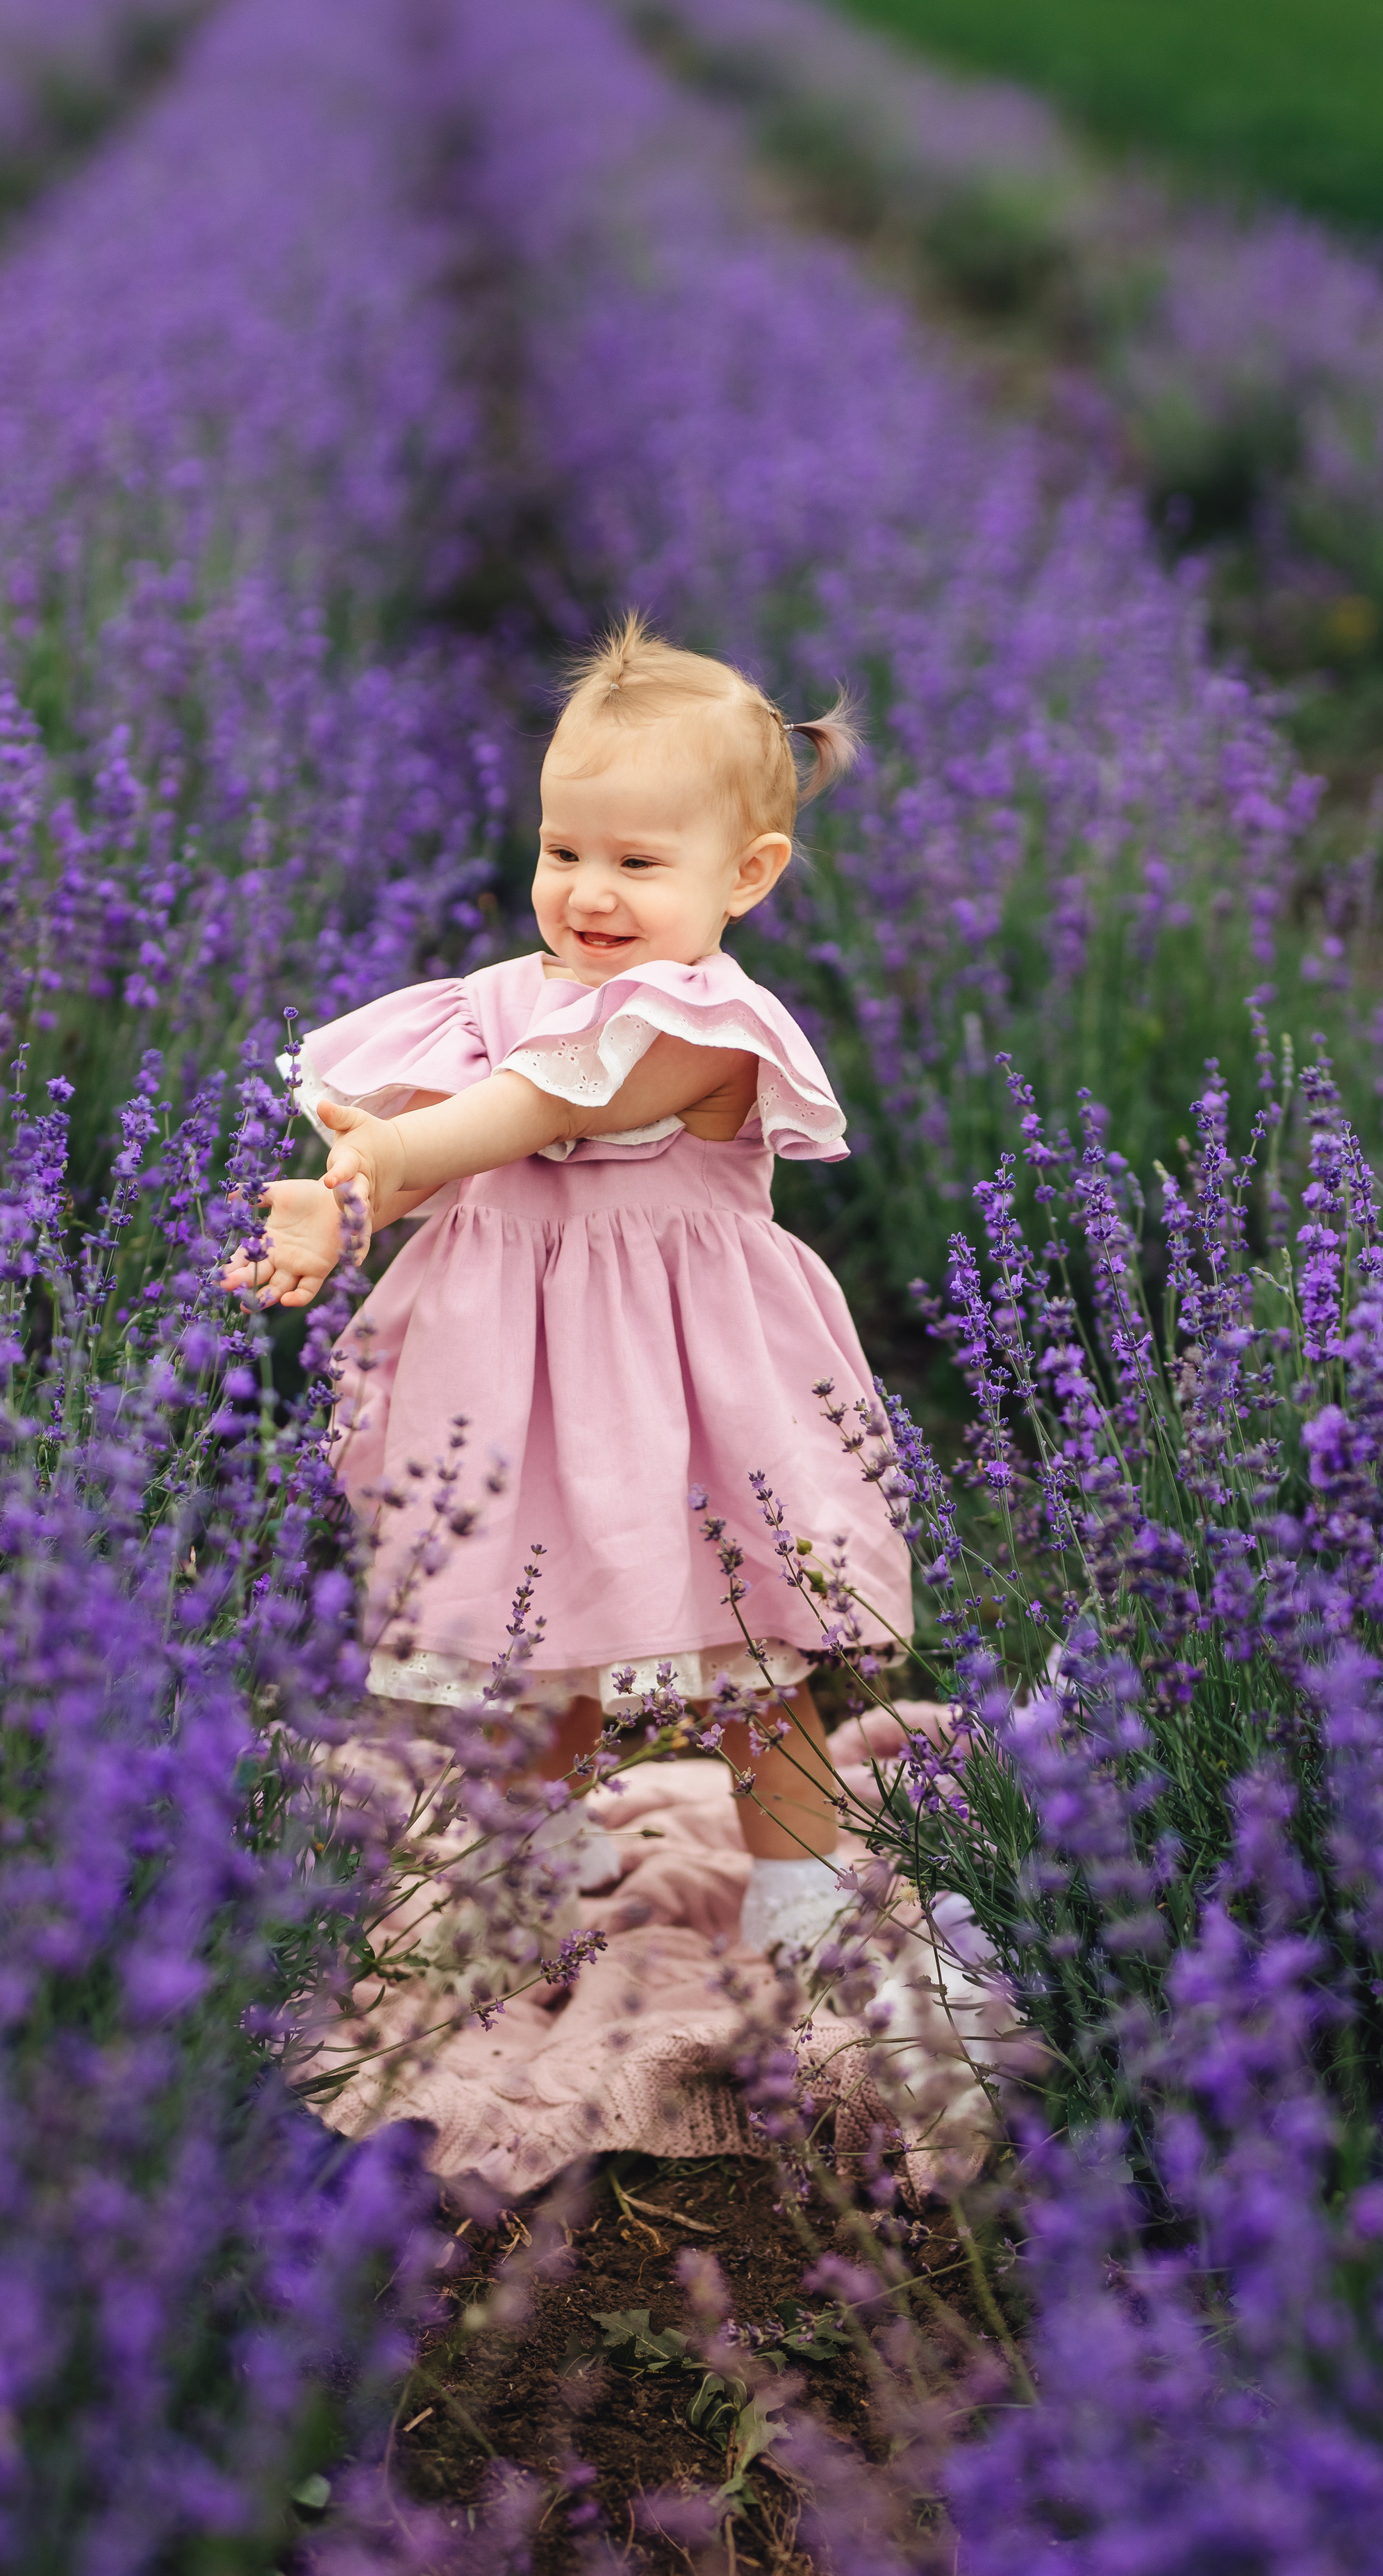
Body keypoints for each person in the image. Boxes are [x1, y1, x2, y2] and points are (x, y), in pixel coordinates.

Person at [224, 617, 912, 1961]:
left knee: (753, 1663)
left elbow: (526, 1117)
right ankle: (542, 1861)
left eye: (638, 864)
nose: (590, 892)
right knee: (537, 1647)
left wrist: (385, 1157)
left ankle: (802, 1898)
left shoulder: (701, 1026)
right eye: (563, 851)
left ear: (747, 877)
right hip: (517, 1395)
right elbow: (438, 1157)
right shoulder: (493, 1004)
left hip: (692, 1399)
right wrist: (345, 1209)